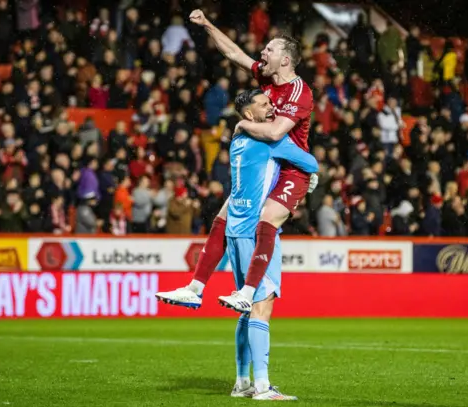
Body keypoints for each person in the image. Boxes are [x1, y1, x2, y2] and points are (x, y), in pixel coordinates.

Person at [158, 89, 317, 400]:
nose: (272, 108)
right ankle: (262, 386)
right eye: (264, 105)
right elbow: (308, 160)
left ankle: (242, 382)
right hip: (255, 234)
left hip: (234, 231)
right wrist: (308, 175)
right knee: (263, 305)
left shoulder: (239, 141)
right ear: (248, 115)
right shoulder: (270, 140)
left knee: (247, 311)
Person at [158, 9, 315, 314]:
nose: (262, 52)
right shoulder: (267, 79)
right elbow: (234, 53)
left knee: (267, 219)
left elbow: (275, 132)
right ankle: (195, 288)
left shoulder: (299, 91)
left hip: (290, 169)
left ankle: (247, 292)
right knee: (225, 214)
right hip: (266, 165)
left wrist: (241, 125)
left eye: (269, 49)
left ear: (285, 59)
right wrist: (206, 25)